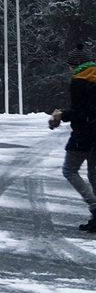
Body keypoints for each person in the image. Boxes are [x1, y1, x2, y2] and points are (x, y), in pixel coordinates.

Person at [49, 57, 96, 232]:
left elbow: (81, 112)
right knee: (93, 174)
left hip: (84, 134)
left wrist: (61, 115)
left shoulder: (79, 82)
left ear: (74, 66)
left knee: (69, 170)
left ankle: (94, 207)